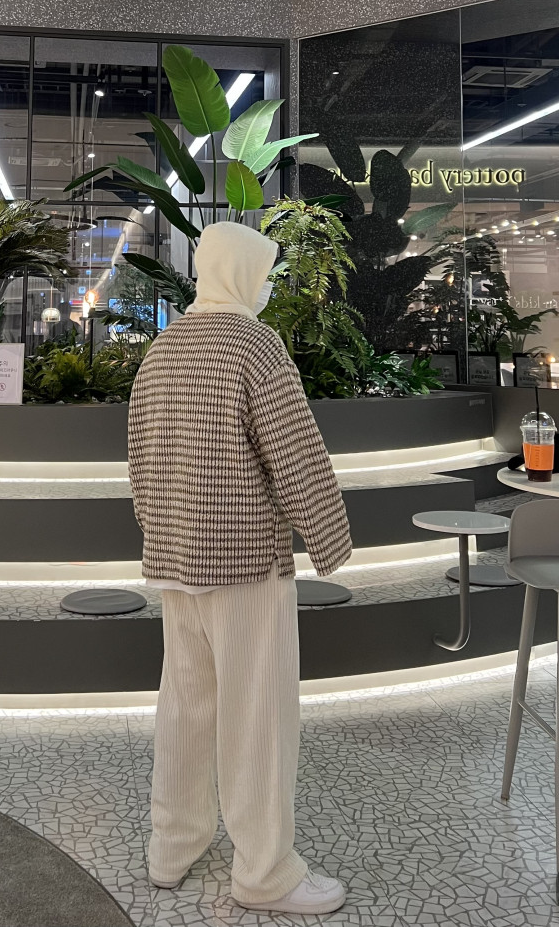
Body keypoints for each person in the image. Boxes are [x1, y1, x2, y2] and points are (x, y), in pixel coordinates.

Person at [127, 219, 353, 915]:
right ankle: (265, 874)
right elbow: (295, 453)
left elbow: (139, 456)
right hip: (245, 560)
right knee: (257, 714)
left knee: (186, 705)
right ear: (245, 272)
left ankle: (172, 848)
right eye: (265, 271)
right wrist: (330, 541)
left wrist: (157, 531)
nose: (267, 283)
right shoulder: (255, 345)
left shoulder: (163, 348)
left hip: (174, 558)